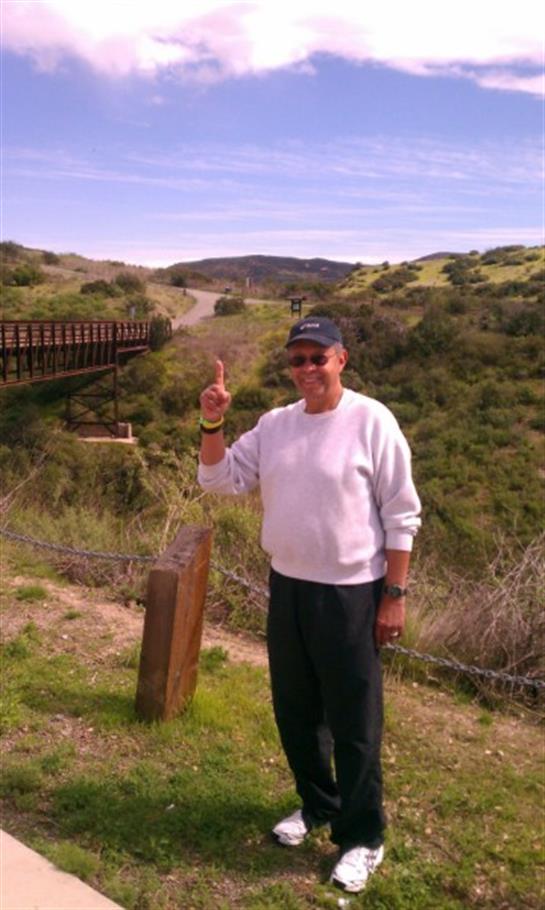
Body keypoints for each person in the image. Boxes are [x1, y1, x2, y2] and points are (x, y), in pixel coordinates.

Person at [197, 316, 421, 894]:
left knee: (354, 722)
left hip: (352, 593)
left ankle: (363, 837)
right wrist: (213, 420)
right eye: (297, 360)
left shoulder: (372, 421)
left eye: (317, 358)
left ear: (341, 360)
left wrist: (393, 596)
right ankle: (319, 806)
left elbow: (401, 513)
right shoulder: (275, 426)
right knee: (296, 713)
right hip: (288, 586)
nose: (306, 370)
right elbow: (220, 479)